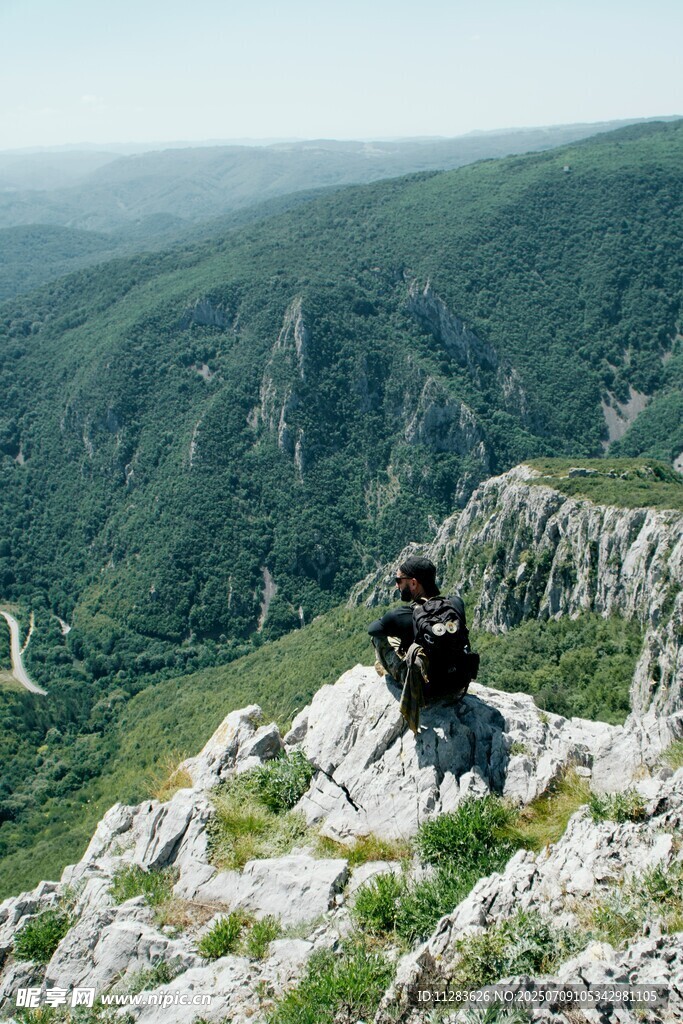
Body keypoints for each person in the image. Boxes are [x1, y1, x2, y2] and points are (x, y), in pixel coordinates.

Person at [368, 555, 469, 731]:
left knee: (379, 639)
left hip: (427, 692)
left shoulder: (403, 616)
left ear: (413, 583)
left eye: (399, 580)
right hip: (458, 684)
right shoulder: (455, 604)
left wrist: (393, 625)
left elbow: (373, 629)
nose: (397, 585)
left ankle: (387, 668)